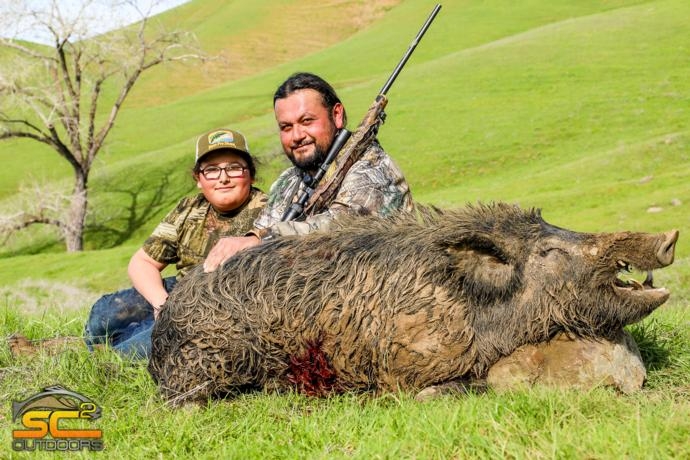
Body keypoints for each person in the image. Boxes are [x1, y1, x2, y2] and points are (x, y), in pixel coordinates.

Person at [202, 72, 414, 272]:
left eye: (307, 121)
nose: (296, 136)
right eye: (286, 127)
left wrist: (260, 239)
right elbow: (264, 228)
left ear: (337, 115)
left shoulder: (373, 169)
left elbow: (341, 228)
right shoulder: (289, 180)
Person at [83, 128, 266, 359]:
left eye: (234, 168)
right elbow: (142, 262)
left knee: (130, 354)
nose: (223, 177)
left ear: (251, 174)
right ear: (198, 179)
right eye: (211, 170)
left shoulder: (270, 211)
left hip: (219, 311)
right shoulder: (188, 209)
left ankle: (115, 355)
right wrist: (163, 305)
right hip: (179, 293)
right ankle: (111, 342)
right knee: (104, 315)